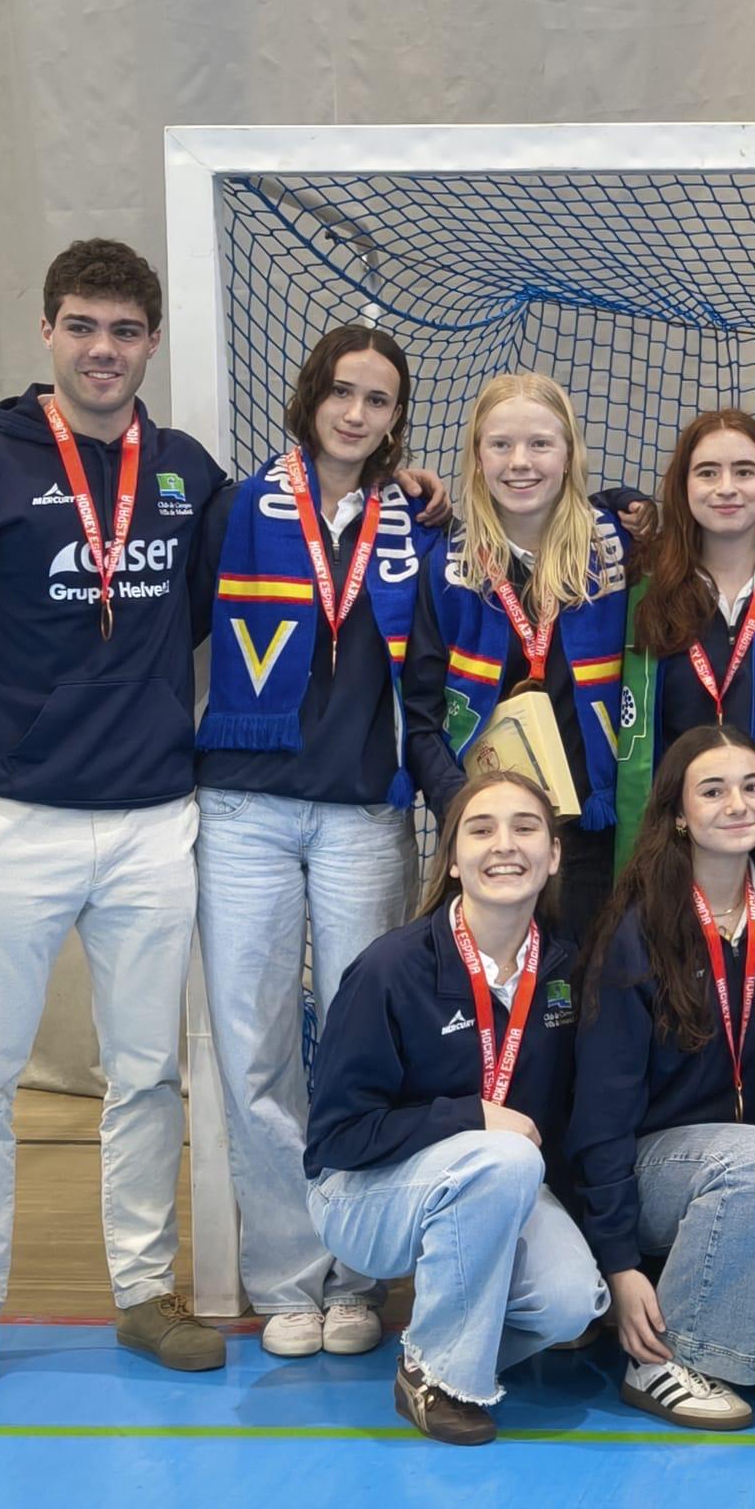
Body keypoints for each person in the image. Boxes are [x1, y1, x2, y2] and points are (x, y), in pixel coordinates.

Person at [0, 240, 231, 1402]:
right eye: (82, 327)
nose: (103, 350)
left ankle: (144, 1290)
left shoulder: (187, 470)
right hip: (14, 818)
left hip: (155, 818)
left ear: (150, 343)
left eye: (124, 331)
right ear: (48, 333)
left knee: (149, 1074)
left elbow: (232, 595)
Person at [190, 323, 438, 1359]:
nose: (355, 414)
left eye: (377, 400)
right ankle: (290, 1277)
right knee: (252, 1049)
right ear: (309, 396)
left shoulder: (414, 525)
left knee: (357, 1047)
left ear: (394, 420)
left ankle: (359, 1275)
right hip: (242, 807)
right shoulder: (239, 506)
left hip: (363, 815)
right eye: (342, 392)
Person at [304, 770, 608, 1445]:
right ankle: (441, 1377)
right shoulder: (391, 969)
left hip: (501, 1178)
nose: (506, 845)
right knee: (501, 1154)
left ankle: (425, 1350)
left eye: (526, 828)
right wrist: (470, 1116)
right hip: (362, 1195)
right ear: (453, 857)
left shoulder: (565, 970)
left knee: (570, 1303)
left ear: (555, 855)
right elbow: (334, 1139)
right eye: (481, 829)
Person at [570, 725, 755, 1428]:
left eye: (752, 786)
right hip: (656, 1174)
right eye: (713, 790)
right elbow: (600, 1115)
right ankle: (663, 1363)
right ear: (678, 813)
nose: (737, 803)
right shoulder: (639, 933)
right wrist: (617, 1262)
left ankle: (701, 1304)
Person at [403, 373, 631, 940]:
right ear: (477, 456)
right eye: (500, 444)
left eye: (540, 444)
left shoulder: (618, 552)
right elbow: (421, 713)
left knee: (581, 1004)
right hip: (488, 838)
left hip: (589, 833)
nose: (519, 462)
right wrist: (466, 812)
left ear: (569, 453)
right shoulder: (446, 565)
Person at [615, 411, 755, 888]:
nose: (726, 487)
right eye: (708, 472)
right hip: (673, 852)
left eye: (745, 471)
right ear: (682, 487)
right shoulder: (643, 593)